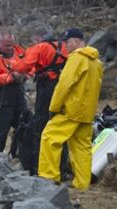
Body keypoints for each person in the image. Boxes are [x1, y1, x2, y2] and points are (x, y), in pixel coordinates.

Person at [38, 28, 103, 190]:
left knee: (49, 137)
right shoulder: (97, 62)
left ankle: (49, 178)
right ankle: (82, 183)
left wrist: (54, 107)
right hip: (87, 113)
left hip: (71, 110)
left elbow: (64, 85)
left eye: (67, 42)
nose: (65, 46)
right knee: (82, 146)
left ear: (76, 41)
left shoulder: (76, 58)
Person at [11, 25, 68, 174]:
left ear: (37, 37)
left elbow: (23, 66)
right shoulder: (64, 46)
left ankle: (38, 164)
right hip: (64, 88)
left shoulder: (39, 48)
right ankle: (62, 165)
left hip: (46, 88)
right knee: (61, 124)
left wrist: (13, 64)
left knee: (41, 124)